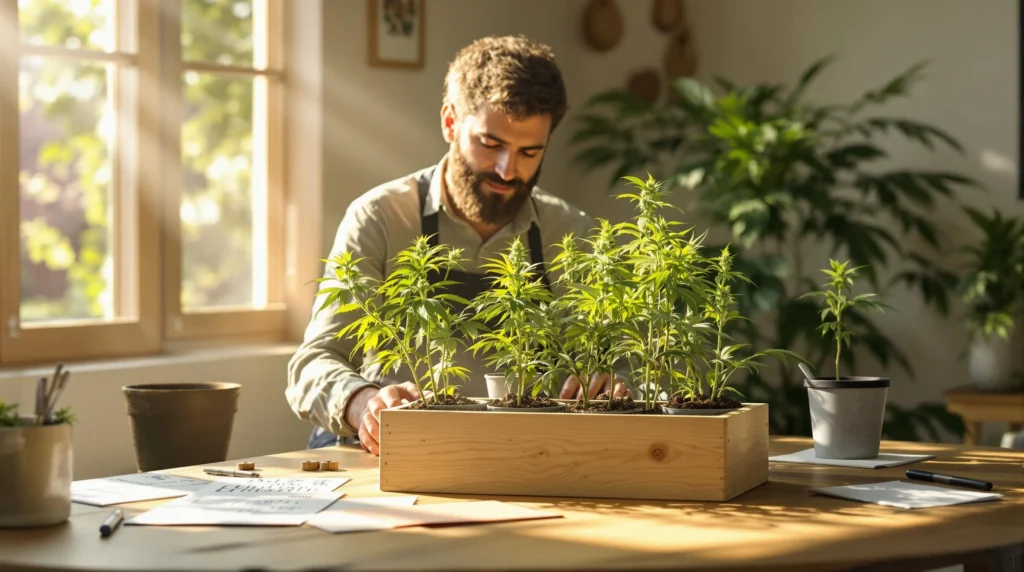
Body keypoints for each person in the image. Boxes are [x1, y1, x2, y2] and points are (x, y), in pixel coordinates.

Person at [286, 35, 629, 456]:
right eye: (491, 144)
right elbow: (312, 364)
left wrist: (609, 384)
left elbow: (617, 366)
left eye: (530, 152)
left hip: (525, 458)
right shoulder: (380, 218)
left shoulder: (571, 233)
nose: (508, 170)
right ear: (451, 122)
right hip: (388, 458)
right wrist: (362, 404)